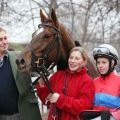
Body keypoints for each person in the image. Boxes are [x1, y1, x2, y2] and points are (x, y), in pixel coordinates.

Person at [36, 46, 95, 120]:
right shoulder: (57, 76)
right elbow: (46, 101)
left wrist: (60, 99)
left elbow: (83, 107)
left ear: (84, 62)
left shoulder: (87, 81)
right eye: (71, 58)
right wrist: (42, 86)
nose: (72, 61)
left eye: (77, 58)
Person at [0, 27, 42, 120]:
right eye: (0, 39)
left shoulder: (19, 57)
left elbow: (37, 71)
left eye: (5, 38)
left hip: (20, 115)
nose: (4, 42)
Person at [91, 44, 120, 120]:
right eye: (98, 62)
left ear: (112, 63)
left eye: (104, 62)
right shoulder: (94, 82)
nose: (100, 66)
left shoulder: (119, 81)